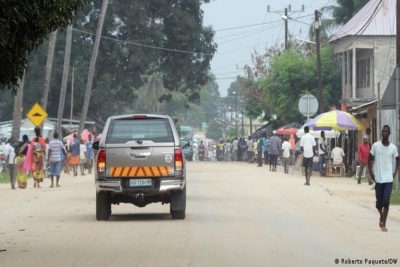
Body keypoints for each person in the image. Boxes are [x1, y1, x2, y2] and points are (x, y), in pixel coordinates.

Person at [367, 125, 399, 232]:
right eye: (383, 131)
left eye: (386, 132)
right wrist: (371, 173)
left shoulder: (393, 148)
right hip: (379, 179)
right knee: (379, 204)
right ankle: (381, 216)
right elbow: (369, 159)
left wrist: (395, 172)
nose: (384, 133)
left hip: (388, 179)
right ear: (381, 133)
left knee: (386, 201)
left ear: (389, 133)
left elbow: (398, 159)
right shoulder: (376, 146)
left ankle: (384, 224)